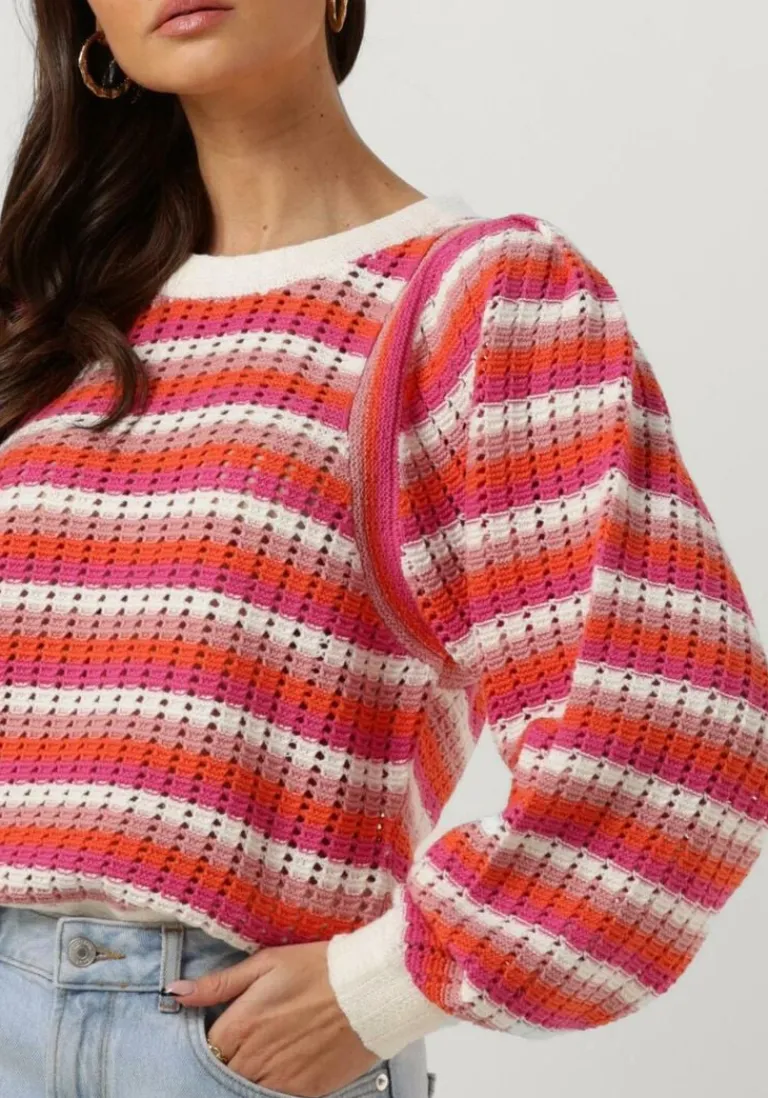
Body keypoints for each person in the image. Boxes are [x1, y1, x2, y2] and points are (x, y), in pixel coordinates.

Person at [0, 2, 767, 1097]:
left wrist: (381, 991)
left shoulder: (479, 301)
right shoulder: (42, 324)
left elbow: (679, 722)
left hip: (212, 1040)